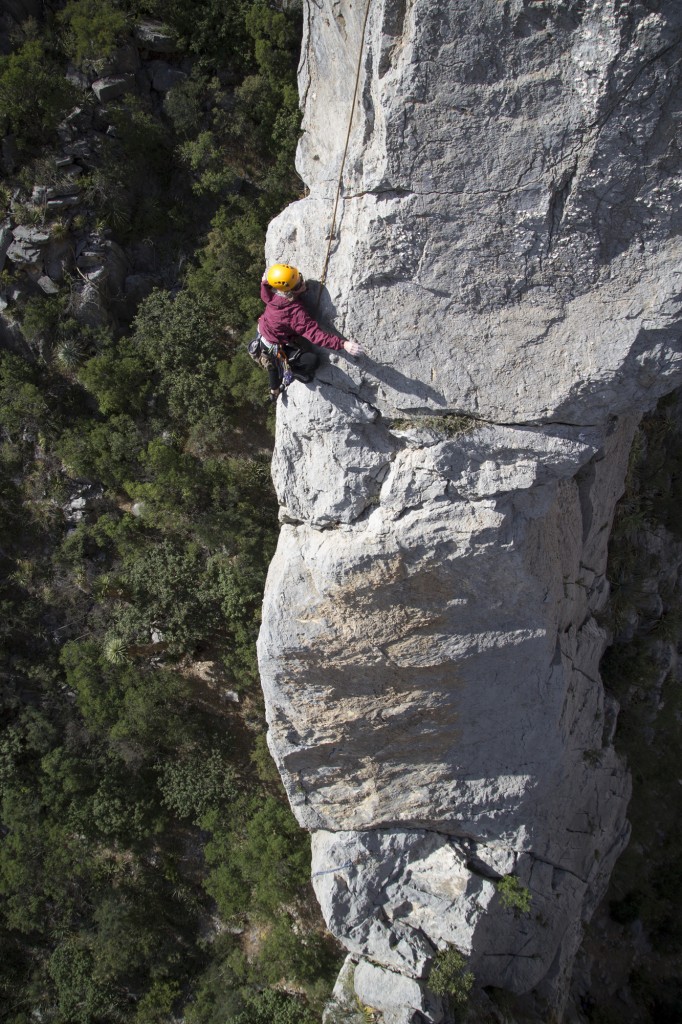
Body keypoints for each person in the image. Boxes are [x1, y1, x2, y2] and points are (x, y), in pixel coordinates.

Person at [251, 263, 363, 400]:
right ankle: (284, 381)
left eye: (300, 278)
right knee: (311, 361)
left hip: (264, 334)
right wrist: (343, 344)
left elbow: (265, 294)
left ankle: (274, 390)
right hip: (274, 347)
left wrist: (265, 282)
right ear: (288, 292)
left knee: (274, 366)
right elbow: (316, 336)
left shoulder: (273, 294)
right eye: (298, 285)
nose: (303, 284)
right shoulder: (294, 313)